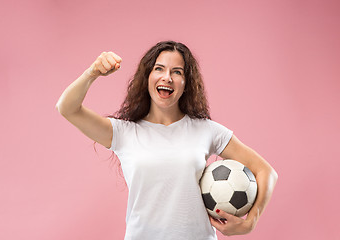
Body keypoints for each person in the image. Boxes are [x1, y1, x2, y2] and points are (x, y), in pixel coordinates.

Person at [56, 41, 278, 239]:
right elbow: (67, 108)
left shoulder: (206, 130)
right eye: (159, 69)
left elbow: (266, 172)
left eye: (177, 72)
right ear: (148, 78)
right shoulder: (124, 132)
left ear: (186, 82)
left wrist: (250, 222)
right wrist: (93, 72)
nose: (167, 77)